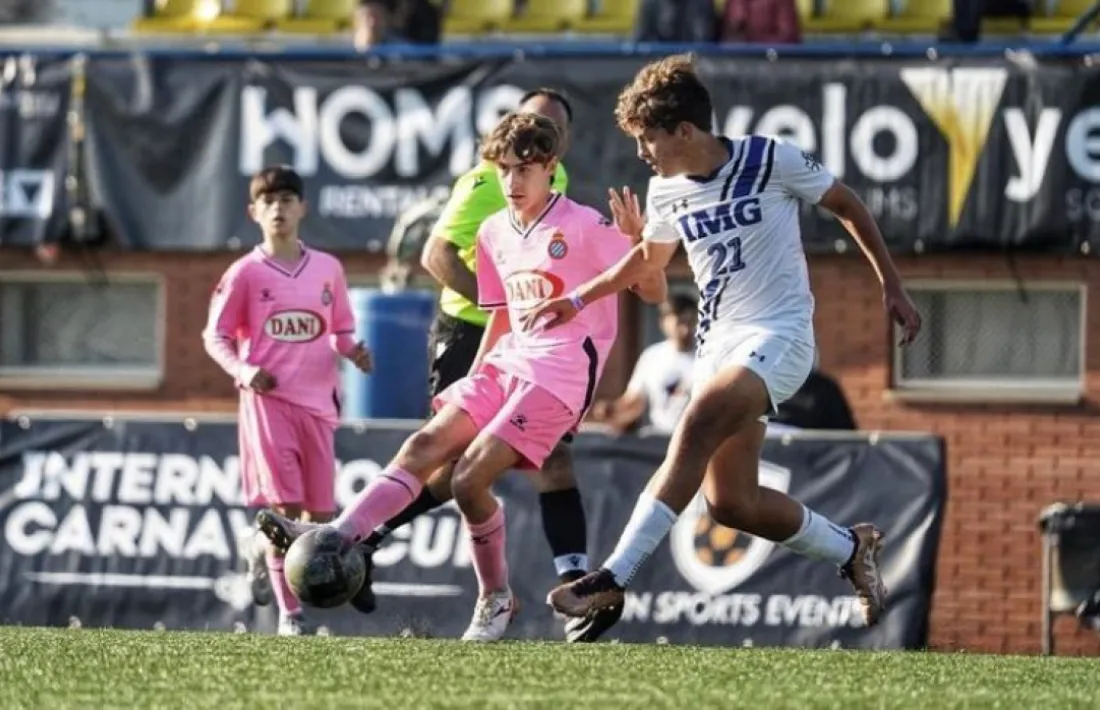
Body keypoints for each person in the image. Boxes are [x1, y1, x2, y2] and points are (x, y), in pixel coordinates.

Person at [524, 54, 923, 627]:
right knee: (731, 503)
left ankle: (612, 578)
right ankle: (849, 549)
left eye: (648, 139)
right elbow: (647, 260)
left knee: (697, 421)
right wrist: (579, 296)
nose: (642, 152)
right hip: (719, 347)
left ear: (685, 130)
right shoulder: (664, 190)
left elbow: (846, 204)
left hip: (780, 337)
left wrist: (892, 285)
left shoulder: (770, 158)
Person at [256, 112, 667, 642]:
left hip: (560, 376)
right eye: (504, 171)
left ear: (551, 169)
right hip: (506, 364)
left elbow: (652, 291)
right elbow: (501, 315)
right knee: (426, 443)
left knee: (471, 478)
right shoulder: (495, 232)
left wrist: (640, 247)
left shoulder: (584, 225)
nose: (513, 183)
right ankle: (336, 536)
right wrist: (473, 386)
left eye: (525, 170)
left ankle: (495, 599)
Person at [349, 89, 624, 643]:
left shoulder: (566, 199)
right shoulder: (485, 191)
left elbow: (639, 274)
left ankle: (572, 584)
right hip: (472, 336)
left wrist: (634, 249)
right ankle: (357, 536)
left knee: (516, 465)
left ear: (557, 149)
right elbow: (436, 255)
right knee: (448, 462)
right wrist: (507, 319)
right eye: (524, 128)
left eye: (545, 132)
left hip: (549, 358)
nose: (516, 172)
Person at [202, 166, 373, 636]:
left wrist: (353, 351)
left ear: (303, 208)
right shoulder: (245, 273)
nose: (278, 208)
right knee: (283, 510)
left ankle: (258, 550)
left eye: (287, 199)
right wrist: (243, 370)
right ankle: (289, 615)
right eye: (268, 201)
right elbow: (214, 336)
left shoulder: (328, 269)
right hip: (268, 404)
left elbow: (338, 331)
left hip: (319, 406)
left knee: (316, 519)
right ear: (254, 212)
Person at [591, 293, 697, 435]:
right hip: (660, 437)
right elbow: (634, 402)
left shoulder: (707, 355)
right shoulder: (652, 357)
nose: (685, 330)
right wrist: (612, 410)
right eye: (679, 323)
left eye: (690, 322)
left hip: (698, 439)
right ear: (664, 322)